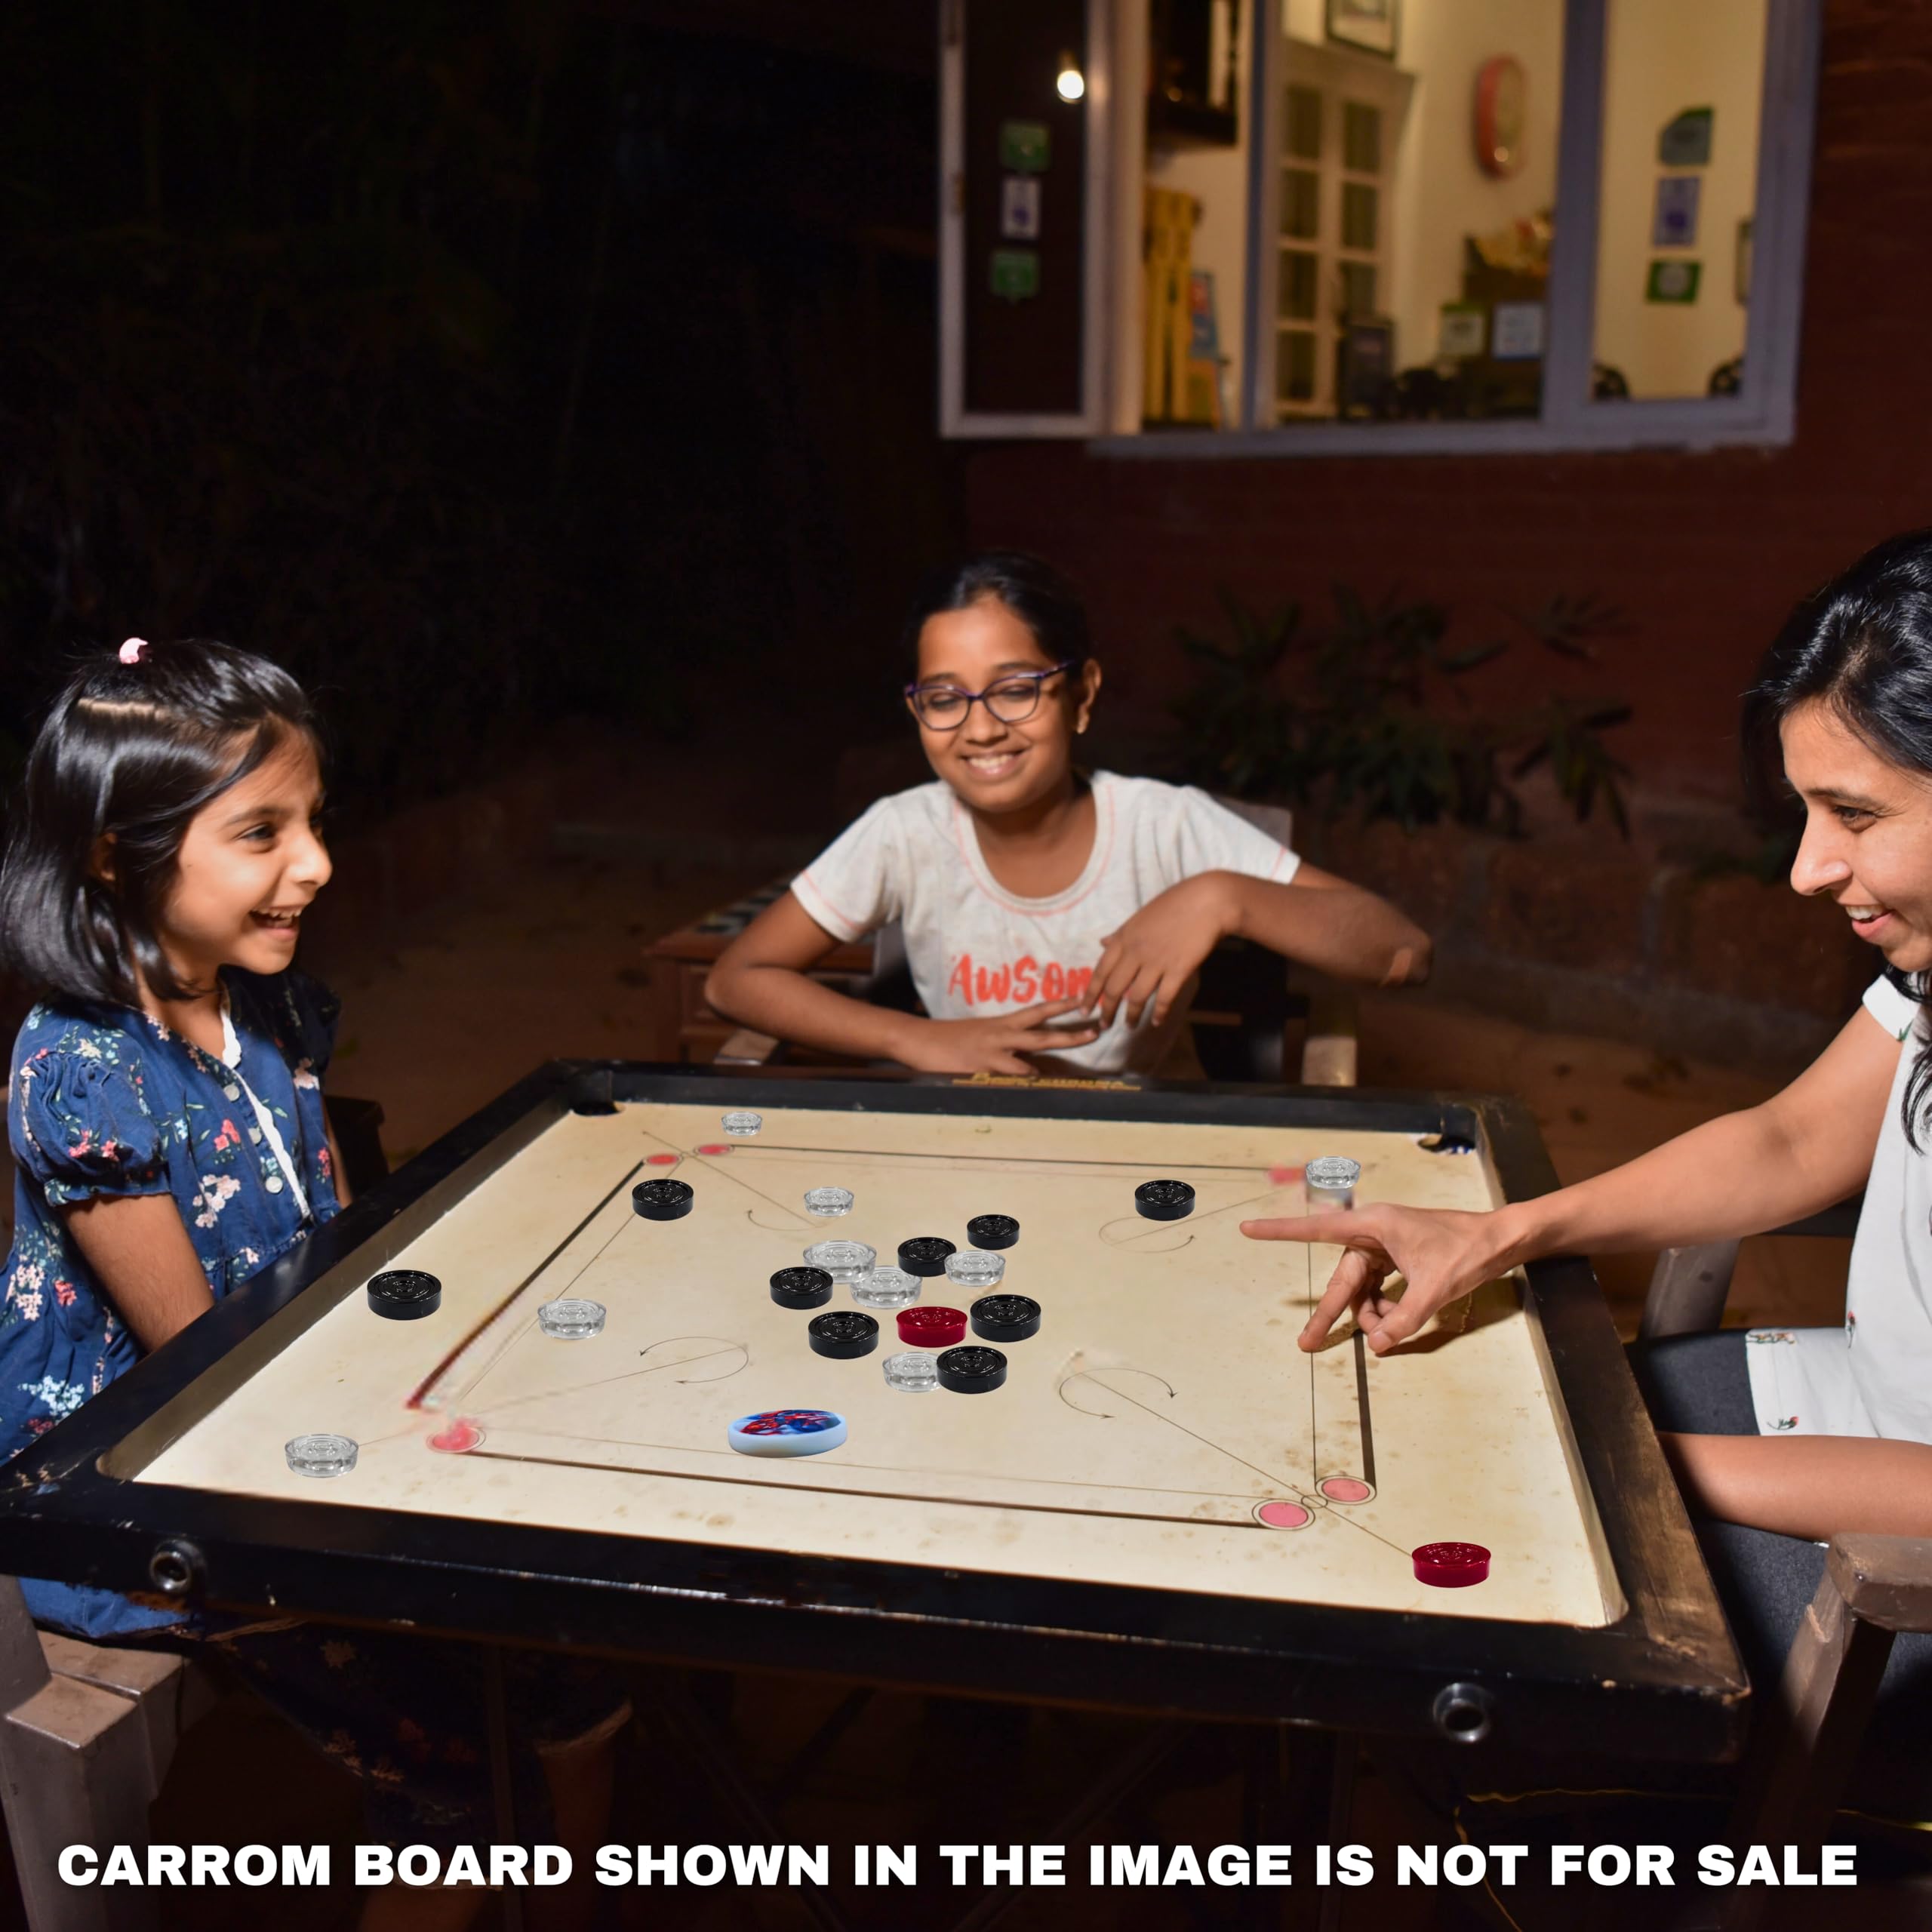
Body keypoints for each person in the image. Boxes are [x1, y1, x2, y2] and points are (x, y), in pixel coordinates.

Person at [1241, 531, 1932, 1737]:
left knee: (1480, 1591)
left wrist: (1628, 1462)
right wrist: (1502, 1232)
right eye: (1806, 810)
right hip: (1846, 1414)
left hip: (1894, 1580)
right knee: (1463, 1423)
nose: (1808, 868)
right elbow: (1788, 1142)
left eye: (1854, 813)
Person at [0, 638, 623, 1932]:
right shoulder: (81, 1068)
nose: (318, 864)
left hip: (287, 1434)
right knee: (466, 1773)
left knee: (579, 1663)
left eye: (315, 822)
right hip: (141, 1503)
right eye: (261, 833)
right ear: (117, 853)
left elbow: (336, 1253)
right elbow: (200, 1371)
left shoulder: (270, 1010)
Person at [706, 552, 1432, 1075]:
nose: (980, 728)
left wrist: (1223, 897)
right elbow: (734, 978)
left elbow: (1404, 952)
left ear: (1081, 695)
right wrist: (913, 1038)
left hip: (1140, 1149)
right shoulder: (904, 832)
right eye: (945, 698)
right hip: (973, 1143)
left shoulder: (1163, 827)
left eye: (1015, 688)